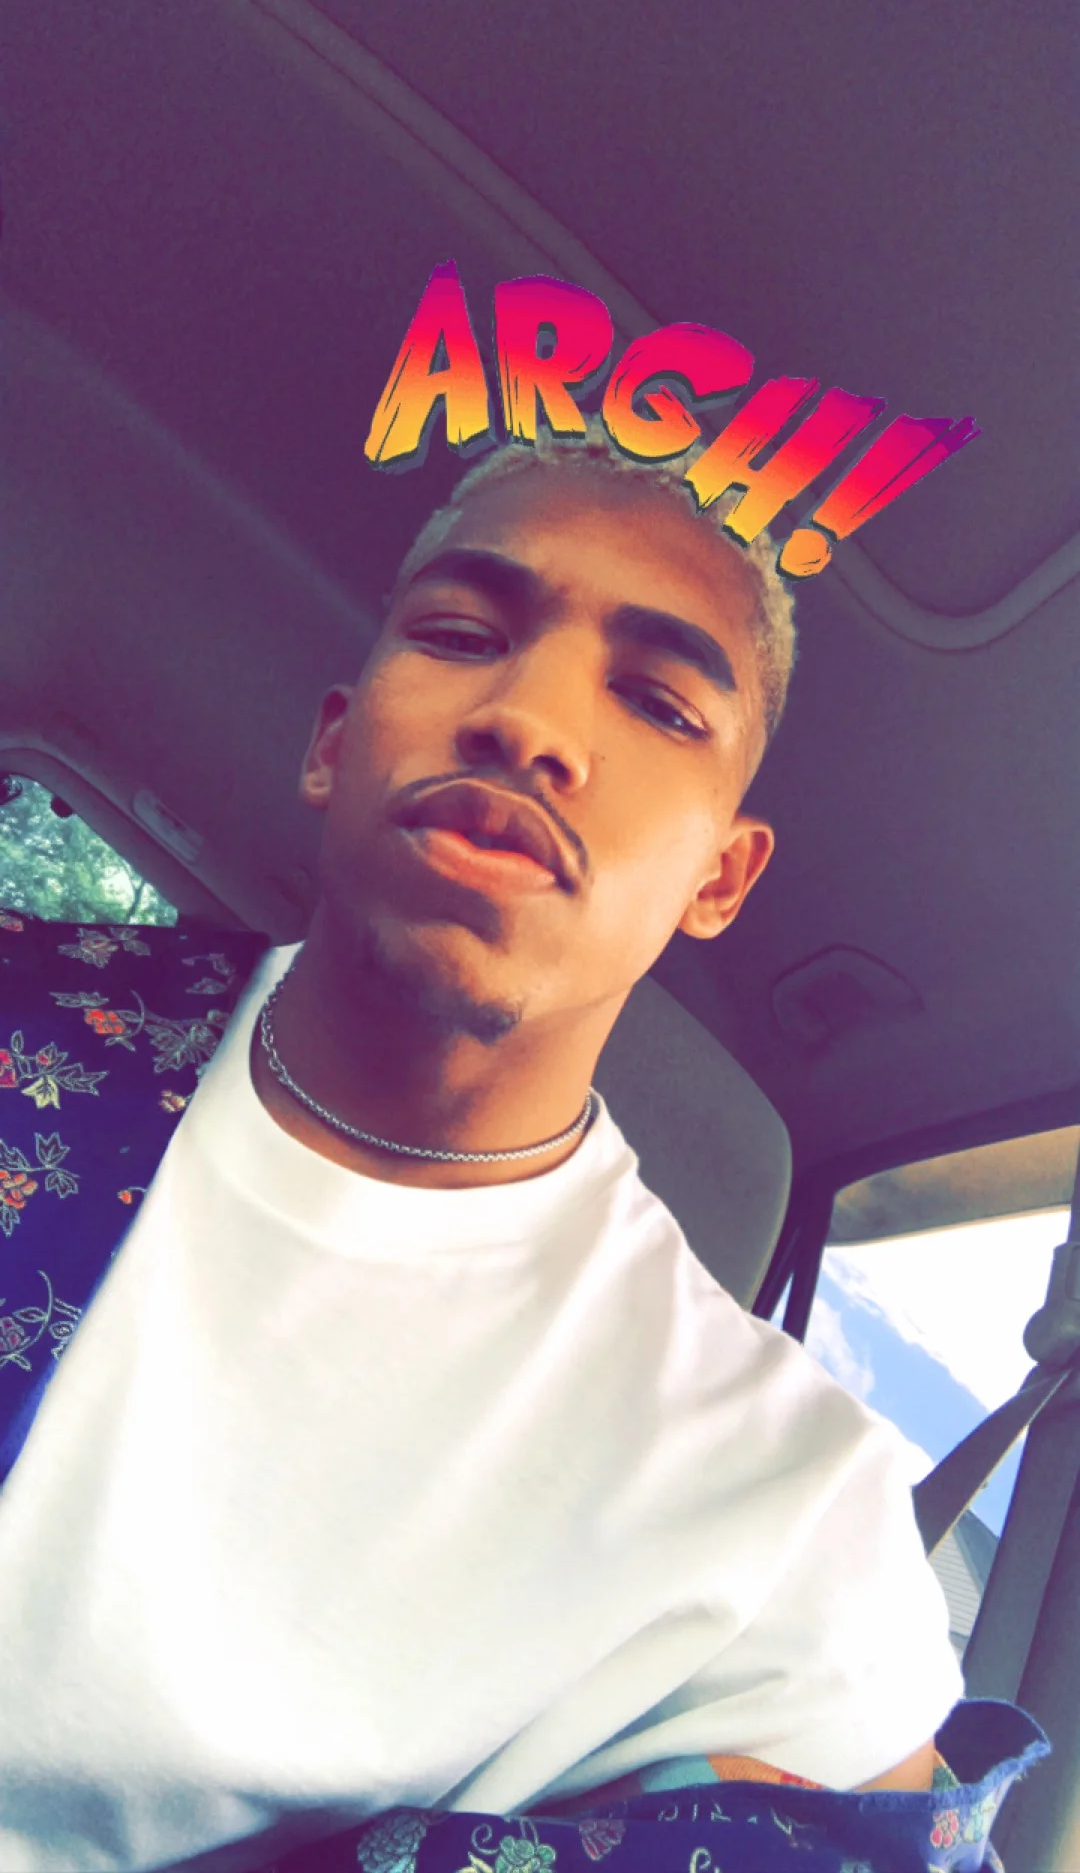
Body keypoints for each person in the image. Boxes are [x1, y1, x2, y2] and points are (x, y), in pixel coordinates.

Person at [0, 422, 1043, 1872]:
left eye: (661, 704)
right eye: (458, 634)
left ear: (719, 878)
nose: (531, 721)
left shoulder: (779, 1501)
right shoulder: (32, 1005)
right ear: (332, 741)